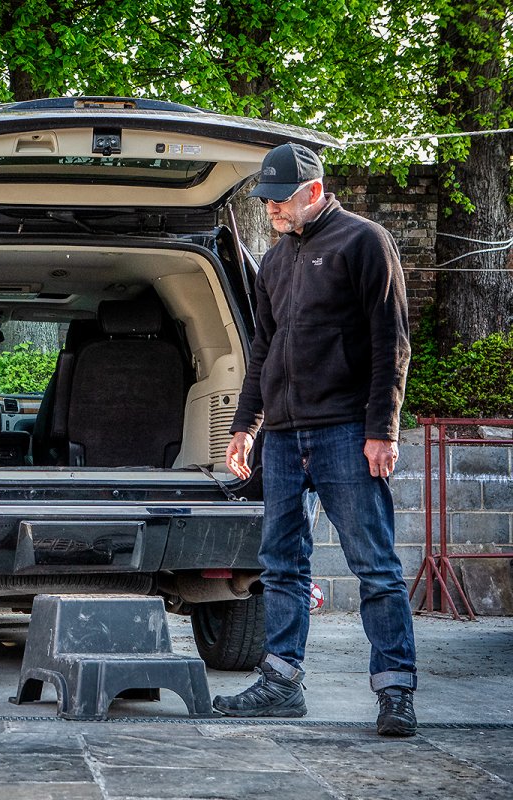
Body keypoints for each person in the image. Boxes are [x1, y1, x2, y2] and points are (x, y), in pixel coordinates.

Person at [214, 143, 417, 737]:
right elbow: (262, 353)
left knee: (375, 567)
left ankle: (395, 692)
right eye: (267, 201)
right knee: (280, 564)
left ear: (313, 190)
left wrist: (382, 430)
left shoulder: (364, 241)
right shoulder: (274, 264)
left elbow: (391, 343)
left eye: (279, 200)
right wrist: (243, 428)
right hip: (281, 435)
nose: (271, 209)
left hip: (347, 432)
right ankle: (281, 683)